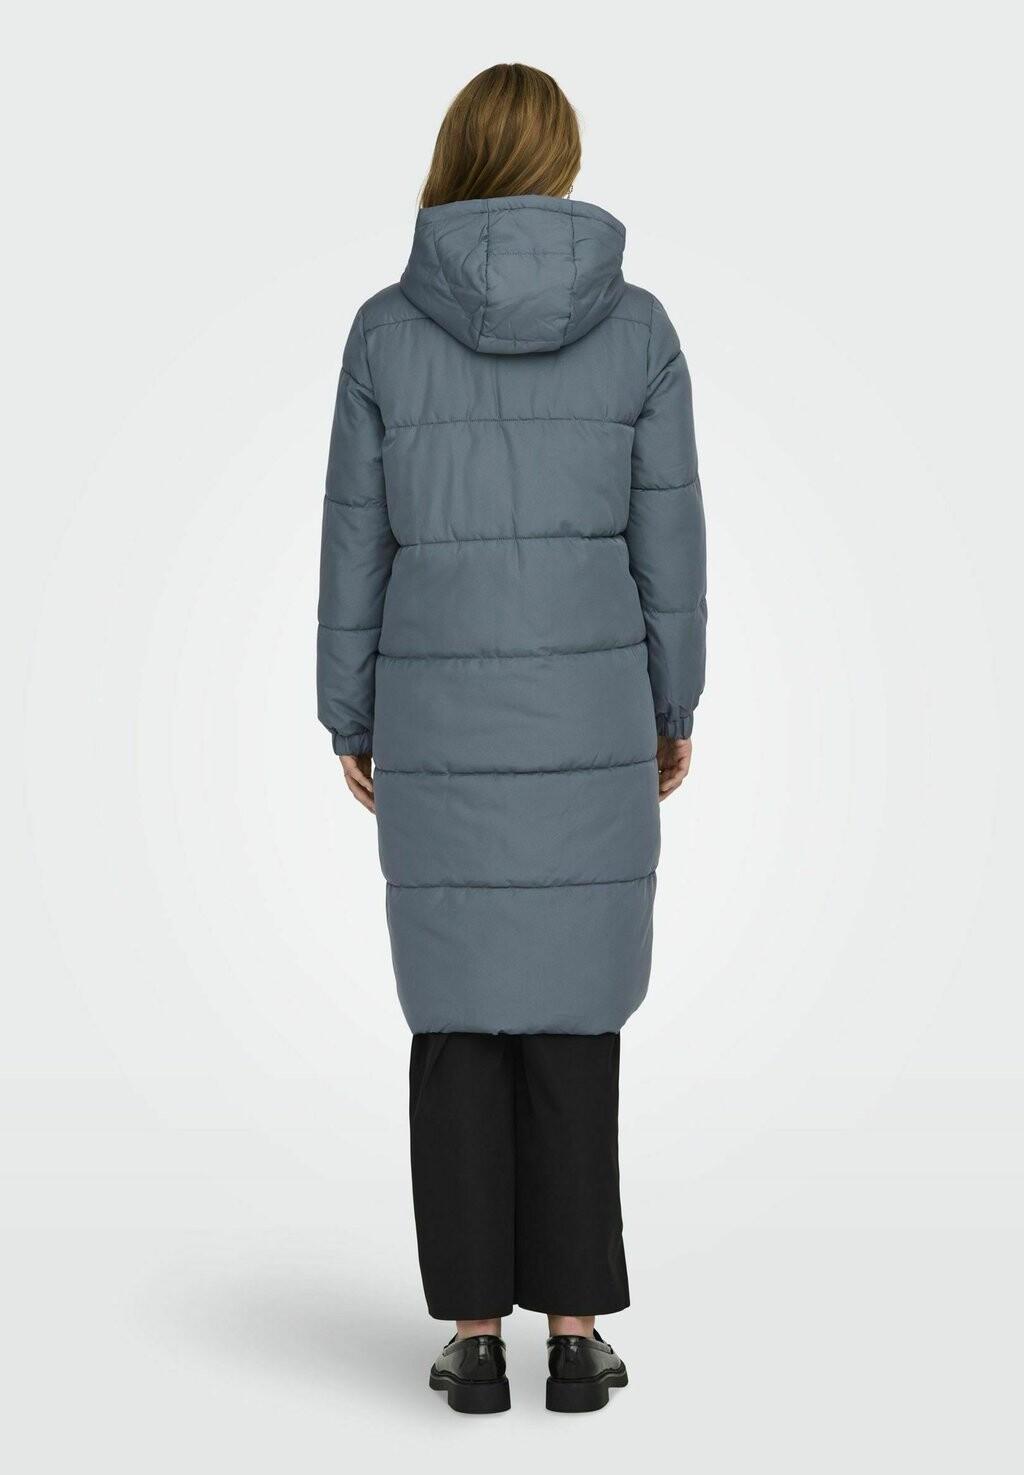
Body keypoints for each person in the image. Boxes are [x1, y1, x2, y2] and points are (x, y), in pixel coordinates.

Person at [317, 62, 706, 1414]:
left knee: (460, 1021)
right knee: (572, 1018)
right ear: (561, 159)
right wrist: (673, 704)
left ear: (456, 155)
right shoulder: (638, 330)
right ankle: (576, 1336)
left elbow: (355, 541)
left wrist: (349, 710)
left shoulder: (386, 332)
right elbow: (671, 542)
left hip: (437, 720)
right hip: (592, 719)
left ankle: (474, 1337)